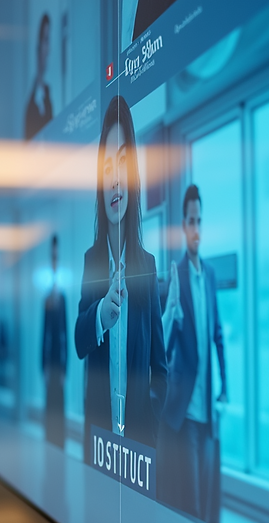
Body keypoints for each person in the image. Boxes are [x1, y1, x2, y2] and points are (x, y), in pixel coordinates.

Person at [74, 95, 168, 452]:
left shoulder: (147, 267)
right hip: (99, 446)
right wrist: (101, 314)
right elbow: (80, 341)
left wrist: (152, 428)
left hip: (139, 451)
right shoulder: (91, 261)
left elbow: (159, 367)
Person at [158, 184, 227, 523]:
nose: (195, 227)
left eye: (200, 220)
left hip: (208, 415)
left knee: (210, 504)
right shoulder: (177, 276)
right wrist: (172, 317)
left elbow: (217, 335)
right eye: (190, 220)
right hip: (186, 411)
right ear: (183, 225)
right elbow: (165, 348)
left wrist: (225, 386)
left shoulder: (211, 275)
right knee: (194, 505)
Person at [42, 234, 68, 449]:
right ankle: (50, 438)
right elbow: (45, 333)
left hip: (59, 360)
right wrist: (42, 365)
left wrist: (66, 368)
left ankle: (58, 440)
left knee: (59, 402)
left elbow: (65, 334)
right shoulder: (47, 298)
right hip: (50, 360)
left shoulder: (63, 298)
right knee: (50, 403)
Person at [24, 13, 53, 140]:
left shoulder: (49, 96)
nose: (48, 49)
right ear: (38, 46)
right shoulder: (30, 106)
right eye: (46, 40)